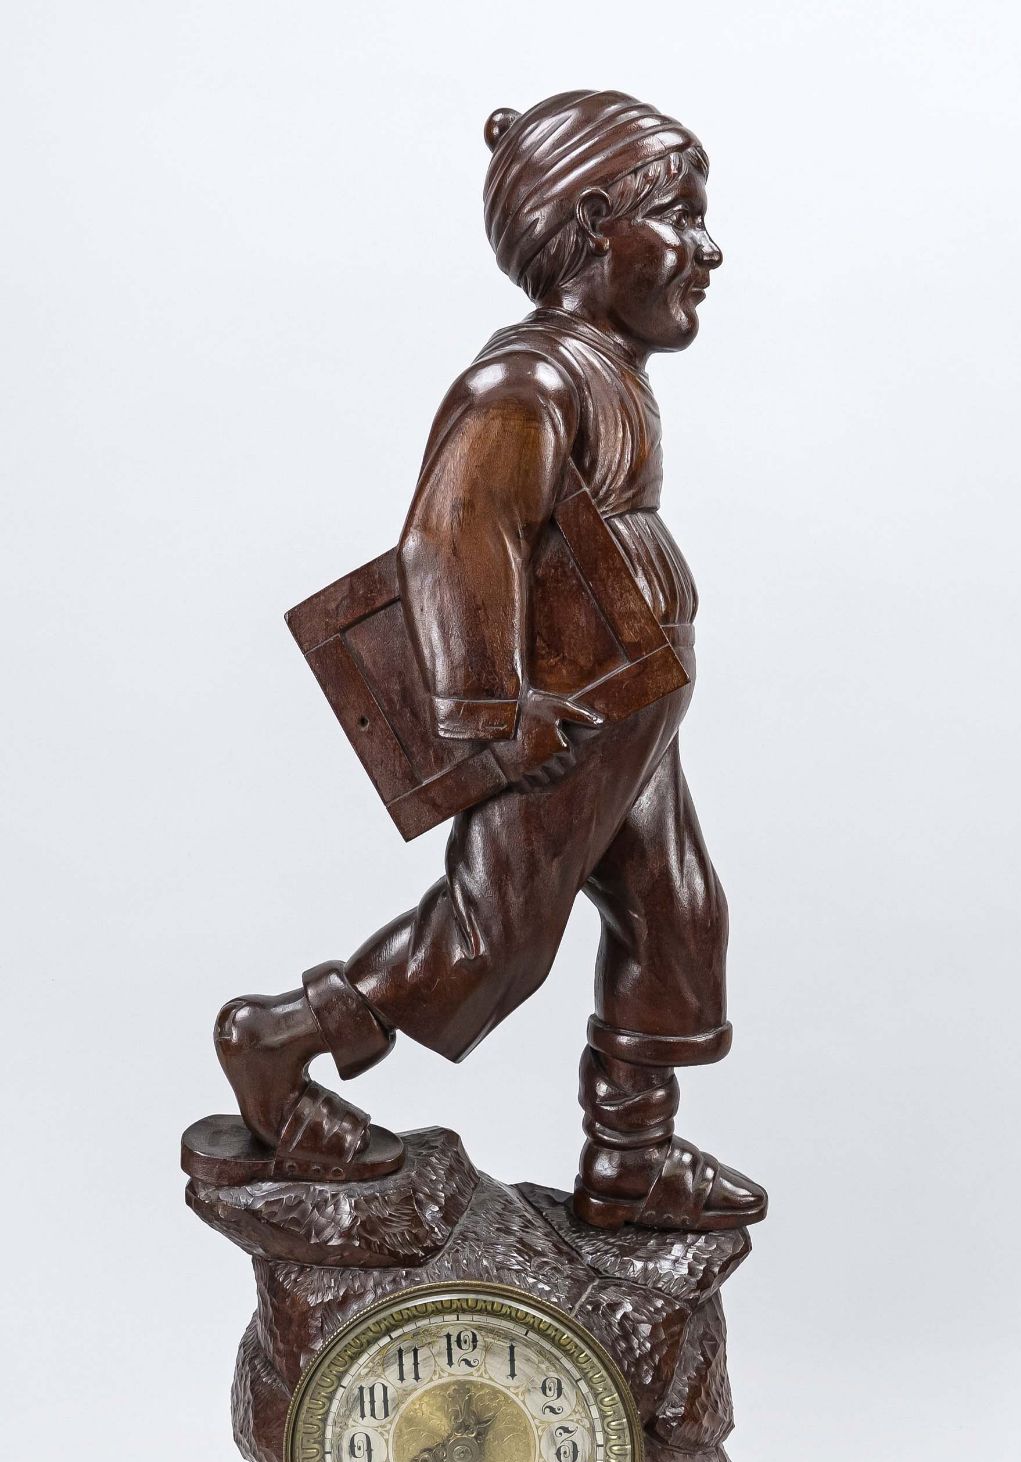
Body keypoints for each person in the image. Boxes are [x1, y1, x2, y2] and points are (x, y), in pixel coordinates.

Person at [214, 89, 767, 1232]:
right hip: (564, 715)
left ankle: (632, 1156)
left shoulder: (607, 370)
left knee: (676, 910)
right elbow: (454, 539)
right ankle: (272, 1042)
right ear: (596, 219)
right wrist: (489, 707)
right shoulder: (527, 382)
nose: (710, 248)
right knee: (493, 943)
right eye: (682, 216)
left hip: (632, 703)